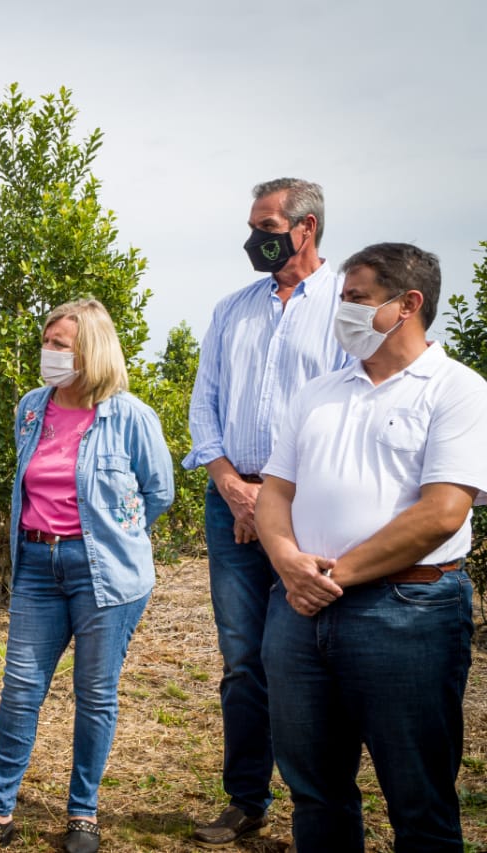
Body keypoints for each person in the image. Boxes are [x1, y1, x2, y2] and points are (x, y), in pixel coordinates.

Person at [255, 243, 487, 851]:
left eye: (357, 298)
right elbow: (275, 491)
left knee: (418, 799)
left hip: (406, 613)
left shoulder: (456, 390)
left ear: (407, 304)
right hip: (300, 612)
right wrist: (286, 561)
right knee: (315, 791)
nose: (343, 310)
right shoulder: (319, 392)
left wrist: (332, 576)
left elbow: (442, 512)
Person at [0, 299, 174, 853]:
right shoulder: (32, 407)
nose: (48, 352)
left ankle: (83, 813)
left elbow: (159, 492)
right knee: (21, 689)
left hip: (105, 573)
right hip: (36, 564)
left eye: (61, 345)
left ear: (92, 351)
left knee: (95, 693)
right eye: (47, 341)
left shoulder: (130, 415)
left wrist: (112, 536)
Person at [182, 178, 349, 845]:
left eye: (269, 224)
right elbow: (205, 403)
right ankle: (247, 798)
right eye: (253, 224)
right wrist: (229, 483)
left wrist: (272, 498)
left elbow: (348, 411)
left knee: (302, 658)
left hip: (308, 509)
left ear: (306, 228)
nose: (256, 236)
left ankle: (320, 803)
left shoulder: (347, 305)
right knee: (243, 659)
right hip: (230, 506)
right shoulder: (232, 309)